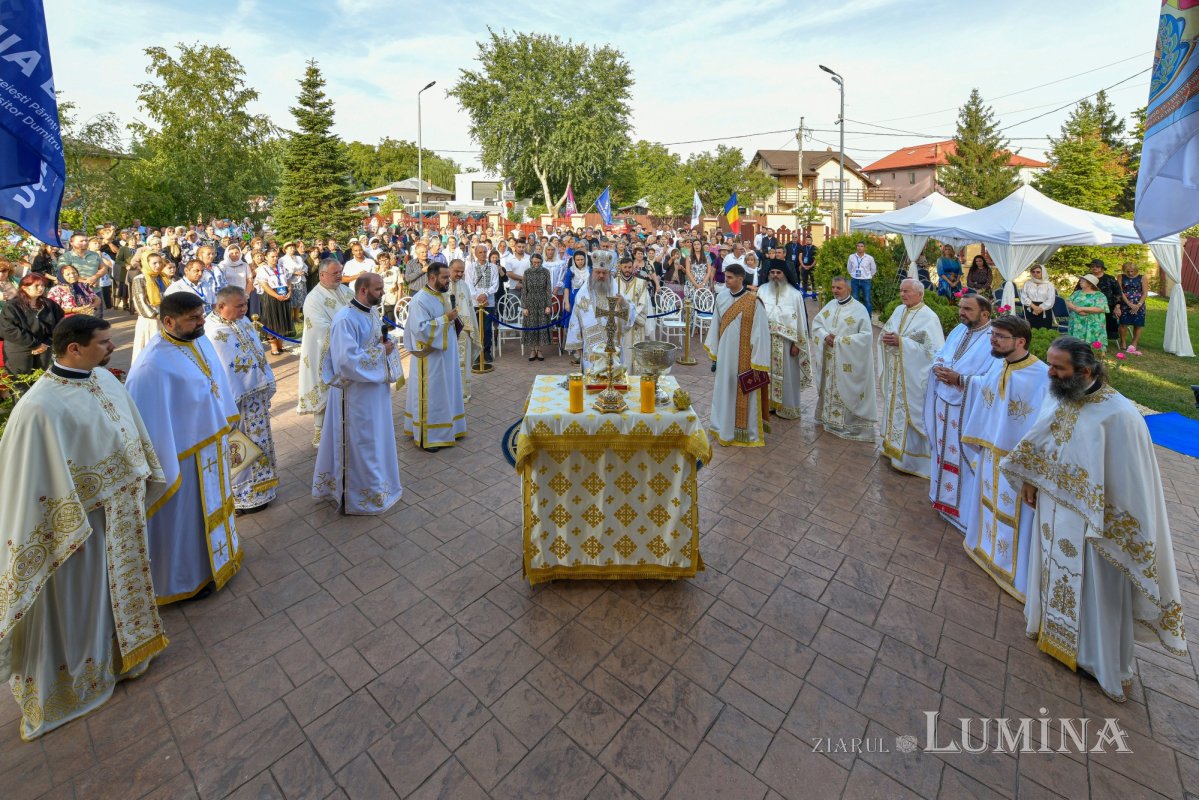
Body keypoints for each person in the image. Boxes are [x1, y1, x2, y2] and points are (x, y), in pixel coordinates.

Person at [0, 316, 168, 740]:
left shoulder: (102, 379)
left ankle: (124, 657)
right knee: (83, 602)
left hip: (122, 518)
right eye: (104, 342)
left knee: (120, 591)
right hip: (79, 531)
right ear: (73, 349)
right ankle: (75, 686)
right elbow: (31, 484)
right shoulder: (38, 408)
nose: (113, 346)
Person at [1001, 336, 1188, 702]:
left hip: (1096, 526)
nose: (1050, 373)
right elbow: (1042, 439)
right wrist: (1029, 479)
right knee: (1052, 571)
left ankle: (1099, 662)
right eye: (1051, 365)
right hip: (1055, 509)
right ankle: (1050, 631)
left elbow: (1131, 485)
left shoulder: (1119, 415)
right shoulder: (1062, 394)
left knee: (1097, 592)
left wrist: (1105, 519)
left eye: (1058, 368)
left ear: (1085, 371)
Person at [126, 292, 242, 604]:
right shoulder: (151, 366)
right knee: (186, 518)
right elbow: (147, 426)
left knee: (216, 504)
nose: (202, 322)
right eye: (194, 318)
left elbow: (213, 382)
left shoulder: (197, 338)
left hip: (209, 445)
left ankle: (221, 560)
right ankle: (188, 578)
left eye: (202, 315)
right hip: (181, 456)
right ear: (168, 322)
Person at [959, 315, 1048, 601]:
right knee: (988, 503)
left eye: (999, 336)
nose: (993, 340)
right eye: (992, 335)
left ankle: (1015, 573)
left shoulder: (1041, 376)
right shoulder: (999, 366)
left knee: (1016, 514)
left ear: (1020, 341)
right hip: (990, 452)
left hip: (1016, 463)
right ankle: (986, 551)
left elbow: (1042, 427)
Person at [313, 273, 404, 513]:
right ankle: (359, 496)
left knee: (376, 439)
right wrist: (380, 352)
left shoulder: (371, 312)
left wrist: (386, 345)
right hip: (355, 396)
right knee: (362, 442)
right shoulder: (345, 319)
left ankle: (379, 487)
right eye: (378, 289)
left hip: (374, 391)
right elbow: (346, 361)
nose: (383, 292)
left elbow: (375, 342)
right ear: (363, 291)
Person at [204, 287, 278, 513]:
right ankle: (241, 498)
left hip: (255, 398)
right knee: (239, 447)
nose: (244, 309)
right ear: (221, 306)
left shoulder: (243, 322)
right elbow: (223, 371)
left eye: (245, 304)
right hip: (233, 404)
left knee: (259, 443)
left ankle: (263, 489)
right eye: (239, 306)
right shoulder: (213, 332)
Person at [926, 293, 994, 530]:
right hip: (944, 401)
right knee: (943, 450)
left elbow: (992, 380)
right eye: (961, 307)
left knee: (964, 457)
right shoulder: (958, 330)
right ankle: (942, 500)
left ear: (985, 314)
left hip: (967, 407)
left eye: (967, 309)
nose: (961, 312)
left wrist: (961, 379)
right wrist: (937, 366)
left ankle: (964, 513)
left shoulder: (993, 338)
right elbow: (942, 353)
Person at [877, 279, 946, 477]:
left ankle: (911, 460)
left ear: (920, 294)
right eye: (901, 291)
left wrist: (902, 343)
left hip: (913, 377)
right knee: (893, 408)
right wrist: (887, 338)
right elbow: (887, 330)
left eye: (907, 291)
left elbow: (934, 352)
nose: (903, 295)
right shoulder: (899, 310)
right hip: (896, 372)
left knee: (910, 413)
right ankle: (891, 448)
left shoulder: (929, 318)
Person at [705, 264, 772, 446]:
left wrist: (758, 361)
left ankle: (745, 432)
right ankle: (722, 428)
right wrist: (715, 354)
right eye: (725, 276)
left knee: (744, 392)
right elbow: (715, 326)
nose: (725, 280)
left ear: (740, 279)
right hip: (725, 357)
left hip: (745, 359)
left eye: (729, 277)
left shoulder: (753, 302)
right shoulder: (721, 298)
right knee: (724, 390)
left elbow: (760, 333)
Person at [403, 263, 468, 451]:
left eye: (448, 277)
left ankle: (450, 427)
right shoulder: (420, 300)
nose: (449, 281)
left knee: (447, 390)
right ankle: (429, 436)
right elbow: (420, 329)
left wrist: (453, 320)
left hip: (446, 354)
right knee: (433, 394)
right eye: (445, 278)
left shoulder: (441, 295)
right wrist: (446, 319)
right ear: (432, 278)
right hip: (429, 358)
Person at [810, 276, 877, 441]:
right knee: (829, 386)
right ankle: (828, 420)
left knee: (846, 388)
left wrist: (839, 341)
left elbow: (866, 337)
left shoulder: (859, 310)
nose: (834, 291)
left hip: (847, 361)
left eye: (838, 288)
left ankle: (848, 425)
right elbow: (817, 324)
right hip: (829, 359)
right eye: (833, 287)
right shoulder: (830, 306)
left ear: (848, 289)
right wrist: (825, 336)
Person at [297, 259, 353, 447]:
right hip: (323, 352)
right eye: (335, 273)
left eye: (340, 272)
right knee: (323, 389)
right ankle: (320, 432)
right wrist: (350, 333)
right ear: (322, 275)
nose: (339, 276)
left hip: (346, 350)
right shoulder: (313, 299)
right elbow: (321, 327)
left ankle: (345, 425)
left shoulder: (345, 291)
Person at [758, 263, 813, 419]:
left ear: (785, 274)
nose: (775, 275)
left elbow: (801, 320)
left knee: (787, 376)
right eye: (772, 272)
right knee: (764, 372)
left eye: (779, 272)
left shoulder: (795, 294)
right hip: (765, 340)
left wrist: (797, 343)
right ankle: (766, 405)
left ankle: (786, 407)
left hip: (787, 343)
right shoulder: (762, 291)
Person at [564, 262, 633, 372]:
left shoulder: (617, 290)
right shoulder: (583, 292)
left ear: (609, 274)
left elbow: (630, 313)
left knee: (614, 376)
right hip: (591, 345)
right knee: (592, 379)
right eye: (598, 272)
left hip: (613, 343)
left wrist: (623, 303)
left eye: (604, 273)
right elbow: (575, 317)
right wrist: (577, 343)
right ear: (592, 272)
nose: (601, 275)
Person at [0, 274, 62, 378]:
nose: (41, 288)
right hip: (19, 348)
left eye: (42, 285)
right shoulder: (12, 306)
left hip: (44, 347)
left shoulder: (49, 304)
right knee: (20, 383)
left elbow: (59, 324)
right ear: (24, 287)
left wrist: (47, 342)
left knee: (39, 380)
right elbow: (8, 329)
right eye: (36, 286)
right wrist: (35, 344)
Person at [615, 256, 655, 369]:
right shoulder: (614, 283)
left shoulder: (641, 283)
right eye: (625, 267)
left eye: (629, 267)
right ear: (620, 267)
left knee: (635, 355)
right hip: (620, 324)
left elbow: (643, 304)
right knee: (621, 351)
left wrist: (631, 316)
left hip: (635, 325)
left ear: (633, 267)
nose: (627, 269)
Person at [448, 259, 480, 402]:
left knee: (464, 363)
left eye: (462, 271)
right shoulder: (442, 285)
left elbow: (470, 308)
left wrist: (472, 328)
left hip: (464, 330)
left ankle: (463, 393)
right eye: (457, 271)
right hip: (447, 331)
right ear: (449, 269)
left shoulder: (465, 286)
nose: (460, 274)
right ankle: (449, 394)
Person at [255, 249, 294, 356]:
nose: (275, 258)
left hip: (283, 295)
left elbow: (289, 280)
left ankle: (280, 344)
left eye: (276, 256)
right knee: (272, 321)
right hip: (271, 296)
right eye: (272, 256)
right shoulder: (262, 269)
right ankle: (273, 346)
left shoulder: (281, 268)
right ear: (266, 257)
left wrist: (290, 291)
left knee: (282, 319)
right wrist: (276, 295)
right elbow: (264, 285)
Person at [466, 245, 500, 365]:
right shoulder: (470, 267)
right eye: (480, 252)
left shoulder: (493, 267)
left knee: (487, 328)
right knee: (476, 328)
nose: (482, 254)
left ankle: (486, 351)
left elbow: (495, 284)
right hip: (475, 302)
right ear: (476, 253)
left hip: (488, 302)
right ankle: (476, 353)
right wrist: (477, 297)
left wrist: (485, 294)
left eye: (484, 252)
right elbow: (469, 284)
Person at [520, 252, 553, 362]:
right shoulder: (527, 272)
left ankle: (539, 350)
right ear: (531, 262)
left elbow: (548, 290)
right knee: (531, 326)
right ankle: (532, 350)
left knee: (541, 326)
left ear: (541, 262)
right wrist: (524, 307)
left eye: (538, 262)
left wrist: (548, 305)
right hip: (530, 302)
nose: (536, 264)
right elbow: (524, 290)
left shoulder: (546, 272)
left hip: (542, 302)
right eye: (534, 262)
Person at [130, 254, 163, 363]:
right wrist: (156, 314)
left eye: (160, 262)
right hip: (150, 320)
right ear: (146, 263)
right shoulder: (139, 279)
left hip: (164, 318)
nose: (158, 265)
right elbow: (140, 302)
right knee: (147, 349)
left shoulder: (161, 277)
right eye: (154, 263)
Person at [1066, 273, 1109, 348]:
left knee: (1092, 343)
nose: (1080, 281)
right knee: (1075, 345)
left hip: (1093, 323)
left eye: (1083, 280)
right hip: (1077, 321)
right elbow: (1068, 302)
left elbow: (1101, 308)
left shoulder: (1099, 295)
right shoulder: (1077, 293)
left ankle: (1094, 354)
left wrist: (1082, 308)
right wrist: (1076, 310)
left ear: (1090, 284)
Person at [1088, 258, 1121, 348]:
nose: (1094, 268)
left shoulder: (1110, 279)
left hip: (1108, 307)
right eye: (1092, 266)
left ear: (1102, 268)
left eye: (1097, 266)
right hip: (1089, 307)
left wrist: (1117, 307)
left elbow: (1118, 293)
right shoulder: (1087, 278)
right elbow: (1077, 290)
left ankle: (1102, 343)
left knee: (1108, 324)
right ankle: (1090, 341)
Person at [1118, 261, 1146, 355]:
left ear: (1136, 270)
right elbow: (1120, 291)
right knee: (1123, 323)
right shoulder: (1120, 277)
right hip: (1125, 303)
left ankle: (1134, 343)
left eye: (1132, 271)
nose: (1130, 273)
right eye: (1128, 271)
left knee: (1138, 324)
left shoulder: (1142, 277)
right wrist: (1129, 304)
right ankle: (1123, 341)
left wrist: (1138, 305)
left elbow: (1145, 293)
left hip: (1139, 304)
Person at [1020, 264, 1057, 330]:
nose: (1035, 273)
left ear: (1043, 273)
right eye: (1033, 272)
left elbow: (1051, 300)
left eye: (1038, 272)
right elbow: (1023, 296)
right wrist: (1034, 307)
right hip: (1030, 308)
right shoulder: (1027, 283)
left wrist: (1039, 309)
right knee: (1029, 330)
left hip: (1044, 310)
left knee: (1044, 331)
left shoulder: (1049, 285)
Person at [279, 241, 308, 322]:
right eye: (290, 247)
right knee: (292, 299)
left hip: (301, 280)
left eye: (293, 247)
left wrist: (303, 271)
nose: (292, 249)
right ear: (285, 249)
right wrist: (294, 273)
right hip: (290, 281)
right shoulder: (282, 259)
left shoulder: (298, 257)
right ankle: (291, 318)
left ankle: (297, 317)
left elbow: (305, 266)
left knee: (300, 298)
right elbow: (282, 270)